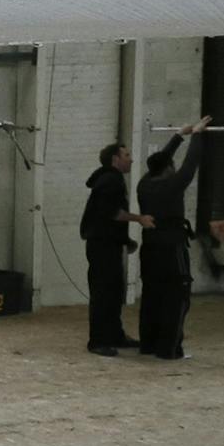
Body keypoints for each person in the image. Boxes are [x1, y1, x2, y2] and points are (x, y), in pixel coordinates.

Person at [136, 117, 211, 361]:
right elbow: (191, 164)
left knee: (152, 296)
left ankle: (148, 344)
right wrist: (197, 134)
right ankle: (169, 350)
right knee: (177, 296)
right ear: (169, 168)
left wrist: (179, 135)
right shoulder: (173, 184)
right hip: (172, 248)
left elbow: (160, 162)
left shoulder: (144, 184)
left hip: (150, 249)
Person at [80, 142, 152, 356]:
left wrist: (124, 239)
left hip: (107, 244)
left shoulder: (109, 179)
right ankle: (98, 341)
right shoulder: (111, 180)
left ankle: (114, 335)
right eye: (126, 155)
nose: (130, 159)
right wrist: (139, 218)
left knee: (113, 292)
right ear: (115, 159)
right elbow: (113, 213)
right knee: (103, 293)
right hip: (102, 246)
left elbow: (107, 218)